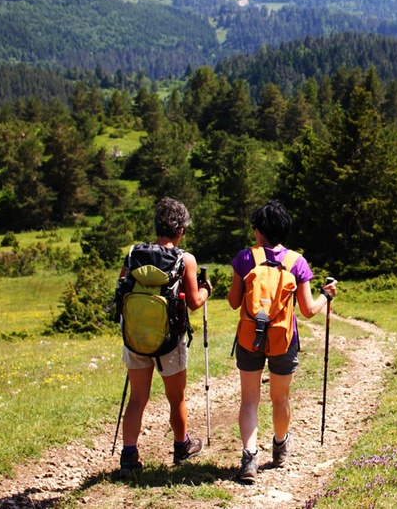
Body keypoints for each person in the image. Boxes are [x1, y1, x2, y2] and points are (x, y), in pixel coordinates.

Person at [228, 200, 337, 484]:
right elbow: (308, 310)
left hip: (249, 336)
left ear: (260, 230)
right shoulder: (296, 262)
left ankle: (249, 457)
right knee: (280, 398)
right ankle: (279, 445)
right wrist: (326, 295)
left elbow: (232, 302)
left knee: (249, 399)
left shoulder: (244, 258)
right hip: (283, 338)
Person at [118, 197, 212, 478]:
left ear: (158, 226)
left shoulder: (134, 253)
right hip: (170, 340)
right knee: (176, 397)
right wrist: (207, 290)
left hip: (135, 337)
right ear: (181, 229)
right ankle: (181, 446)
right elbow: (195, 301)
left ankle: (129, 456)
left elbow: (121, 289)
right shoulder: (185, 260)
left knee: (137, 398)